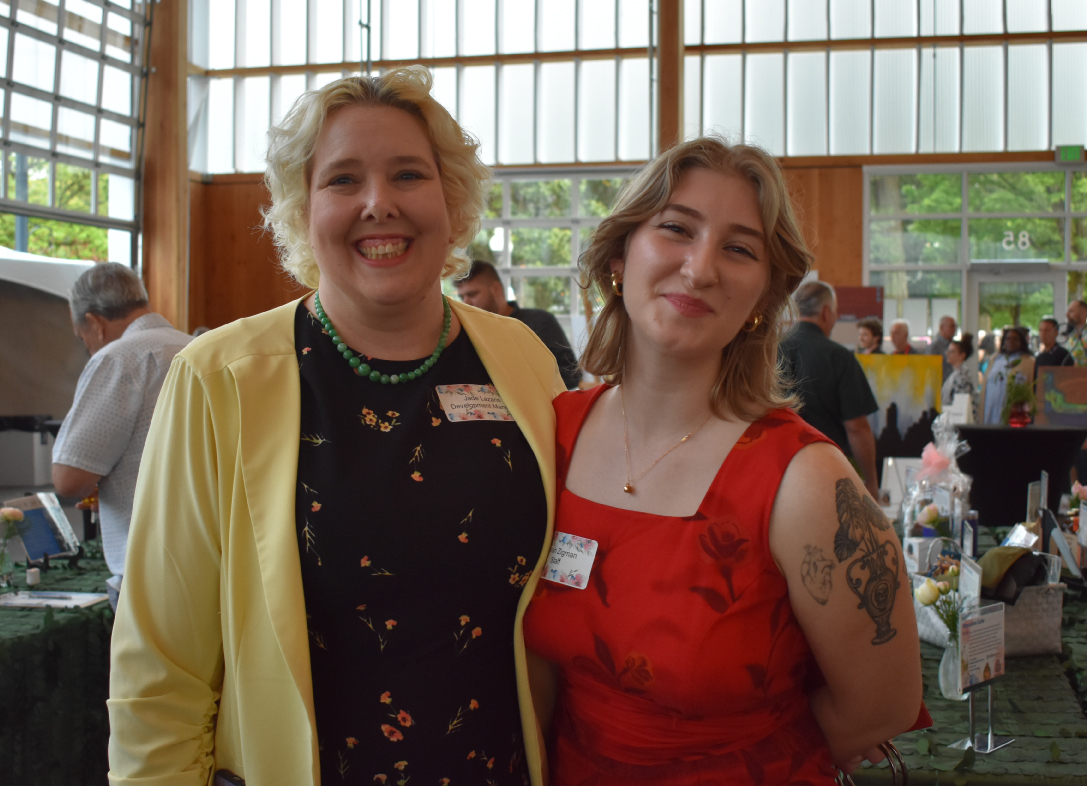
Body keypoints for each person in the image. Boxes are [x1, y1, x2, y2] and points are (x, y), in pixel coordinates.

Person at [108, 67, 564, 785]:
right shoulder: (217, 378)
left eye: (408, 174)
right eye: (342, 180)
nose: (378, 203)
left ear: (450, 198)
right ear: (302, 207)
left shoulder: (522, 360)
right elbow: (161, 661)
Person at [523, 138, 923, 784]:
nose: (700, 268)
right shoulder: (548, 434)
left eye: (738, 248)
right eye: (676, 229)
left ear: (765, 297)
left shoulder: (804, 482)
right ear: (620, 255)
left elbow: (882, 705)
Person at [51, 262, 192, 610]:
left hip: (150, 576)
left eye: (81, 337)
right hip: (206, 559)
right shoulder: (197, 347)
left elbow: (70, 478)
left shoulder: (118, 359)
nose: (87, 346)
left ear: (95, 324)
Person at [780, 281, 880, 498]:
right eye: (835, 312)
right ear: (827, 312)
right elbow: (857, 427)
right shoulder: (839, 357)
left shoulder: (769, 352)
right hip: (826, 474)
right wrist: (871, 480)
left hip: (775, 471)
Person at [456, 261, 581, 389]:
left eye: (472, 294)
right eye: (462, 297)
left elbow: (571, 374)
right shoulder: (465, 331)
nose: (466, 303)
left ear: (496, 289)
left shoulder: (539, 322)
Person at [981, 326, 1034, 425]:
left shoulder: (1029, 362)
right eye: (1008, 338)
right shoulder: (994, 360)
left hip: (1013, 413)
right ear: (1003, 341)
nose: (1011, 341)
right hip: (990, 408)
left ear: (1022, 342)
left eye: (1015, 339)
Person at [941, 333, 977, 421]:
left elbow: (961, 405)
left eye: (952, 351)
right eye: (948, 351)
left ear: (962, 355)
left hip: (958, 421)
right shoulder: (956, 374)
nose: (948, 354)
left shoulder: (962, 377)